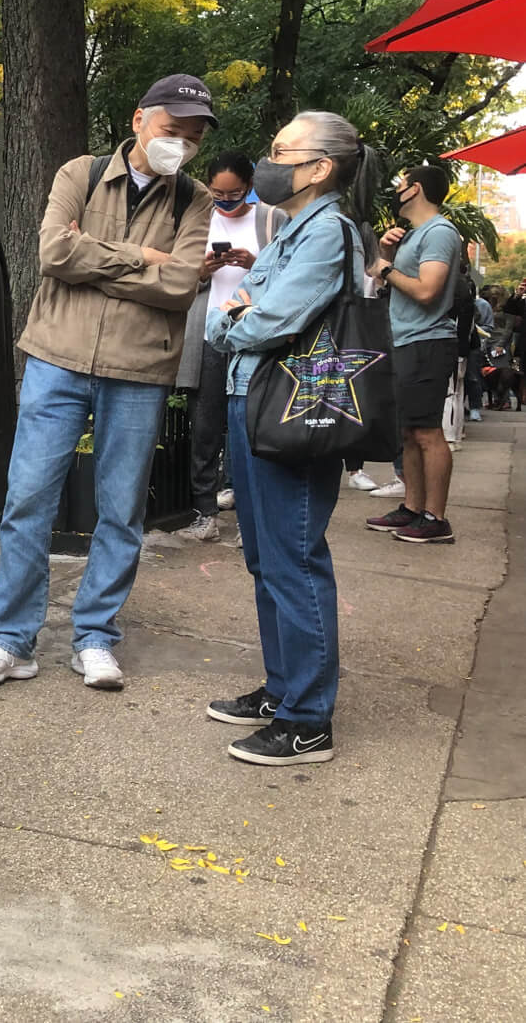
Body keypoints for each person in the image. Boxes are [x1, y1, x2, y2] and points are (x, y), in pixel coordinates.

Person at [0, 74, 215, 691]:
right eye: (173, 131)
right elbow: (52, 255)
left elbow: (180, 287)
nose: (182, 145)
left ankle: (95, 637)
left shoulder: (195, 201)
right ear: (139, 120)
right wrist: (144, 259)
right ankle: (11, 640)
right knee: (26, 502)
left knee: (122, 512)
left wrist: (100, 257)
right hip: (56, 358)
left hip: (139, 370)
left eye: (194, 138)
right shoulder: (82, 173)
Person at [205, 111, 374, 766]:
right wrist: (240, 312)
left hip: (290, 409)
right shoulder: (296, 228)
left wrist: (232, 320)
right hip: (258, 402)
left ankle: (308, 722)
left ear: (320, 167)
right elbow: (245, 301)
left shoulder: (326, 230)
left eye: (282, 151)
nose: (269, 162)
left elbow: (264, 316)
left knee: (294, 558)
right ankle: (283, 691)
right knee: (267, 559)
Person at [177, 152, 285, 542]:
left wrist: (256, 264)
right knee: (204, 428)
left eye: (235, 193)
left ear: (250, 187)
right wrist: (201, 272)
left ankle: (250, 519)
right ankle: (204, 513)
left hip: (253, 340)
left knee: (249, 430)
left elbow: (289, 278)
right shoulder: (196, 219)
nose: (225, 200)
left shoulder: (272, 219)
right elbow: (177, 279)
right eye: (218, 193)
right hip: (207, 335)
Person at [363, 165, 464, 545]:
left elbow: (427, 291)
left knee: (426, 432)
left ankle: (436, 519)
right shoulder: (416, 235)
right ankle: (412, 507)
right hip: (406, 341)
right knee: (408, 432)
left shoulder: (439, 232)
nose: (396, 190)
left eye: (400, 185)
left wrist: (386, 267)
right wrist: (388, 252)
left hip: (427, 342)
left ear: (415, 189)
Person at [465, 282, 493, 422]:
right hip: (458, 343)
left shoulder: (478, 305)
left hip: (472, 344)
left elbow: (487, 326)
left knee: (473, 376)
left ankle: (475, 407)